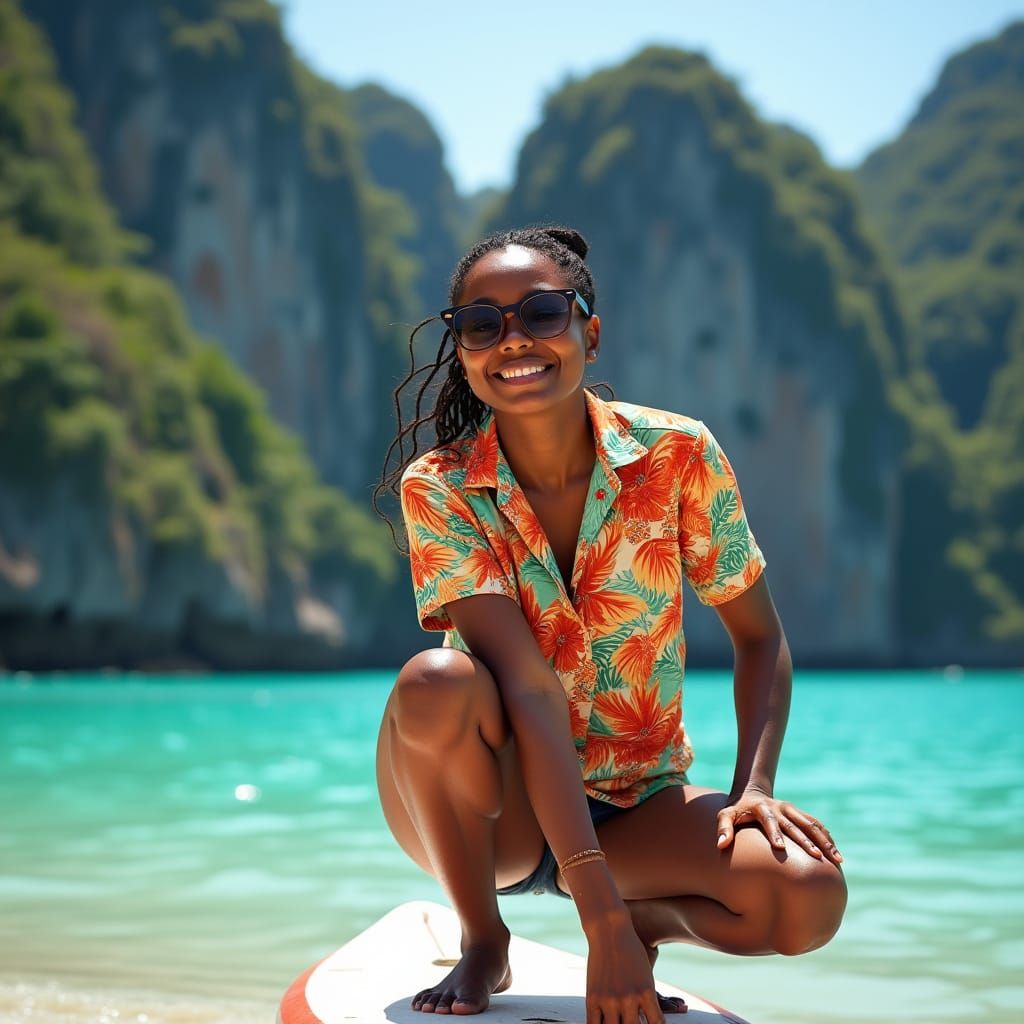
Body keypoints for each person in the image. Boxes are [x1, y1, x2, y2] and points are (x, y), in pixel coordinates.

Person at [372, 225, 847, 1022]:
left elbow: (759, 637)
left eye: (541, 314)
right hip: (496, 813)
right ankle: (485, 939)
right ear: (462, 351)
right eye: (482, 326)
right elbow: (525, 687)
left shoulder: (678, 455)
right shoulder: (443, 487)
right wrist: (593, 918)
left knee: (805, 897)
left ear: (590, 331)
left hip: (635, 802)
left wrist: (752, 790)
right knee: (435, 681)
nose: (513, 340)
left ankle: (645, 920)